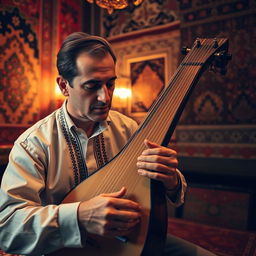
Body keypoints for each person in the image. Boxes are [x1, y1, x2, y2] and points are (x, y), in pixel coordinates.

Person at [0, 32, 216, 256]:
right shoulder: (33, 144)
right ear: (64, 85)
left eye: (110, 84)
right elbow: (7, 228)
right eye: (92, 86)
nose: (105, 97)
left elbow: (172, 191)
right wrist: (79, 216)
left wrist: (170, 179)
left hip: (130, 241)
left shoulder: (130, 129)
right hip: (62, 249)